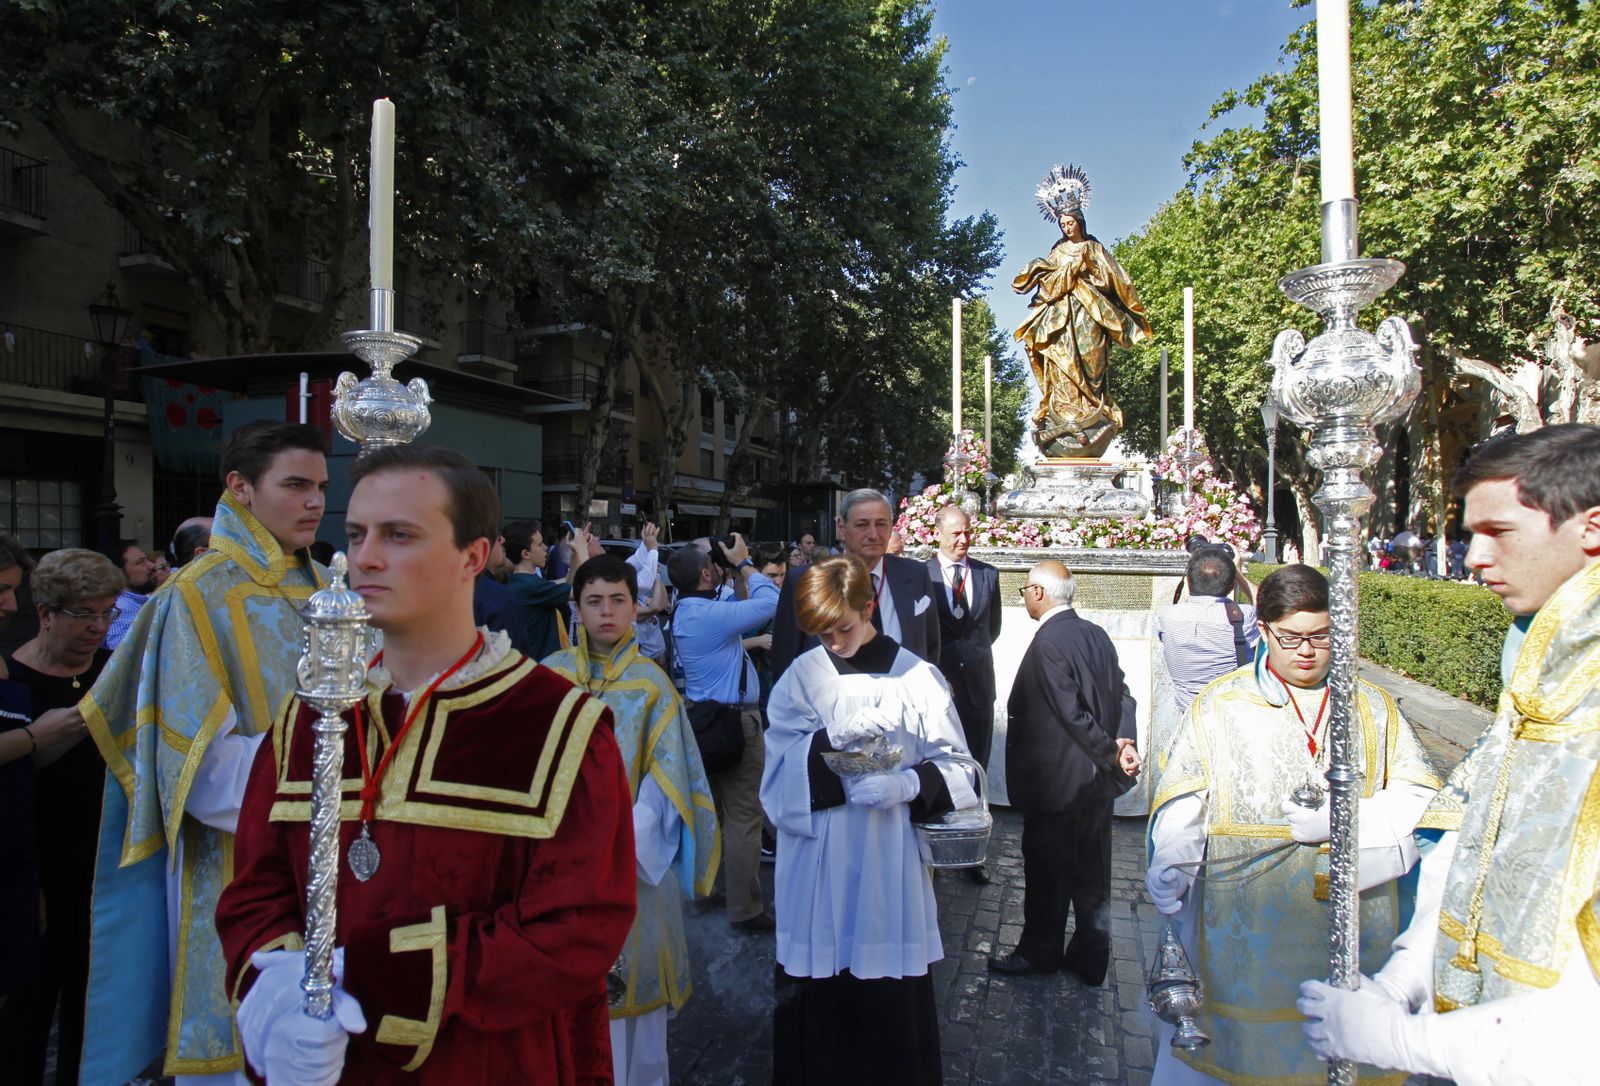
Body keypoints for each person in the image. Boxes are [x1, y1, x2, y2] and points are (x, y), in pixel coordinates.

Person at [216, 444, 636, 1085]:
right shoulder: (310, 715)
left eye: (399, 535)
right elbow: (256, 887)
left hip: (487, 1064)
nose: (364, 558)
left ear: (473, 556)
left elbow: (577, 930)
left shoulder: (558, 724)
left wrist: (373, 977)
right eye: (355, 534)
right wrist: (276, 995)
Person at [1299, 423, 1600, 1083]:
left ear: (1591, 527)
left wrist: (1412, 1046)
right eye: (1471, 534)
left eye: (1499, 532)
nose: (1473, 559)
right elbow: (1475, 840)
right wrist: (1408, 968)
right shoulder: (1538, 666)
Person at [77, 419, 330, 1085]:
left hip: (334, 855)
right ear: (240, 488)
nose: (314, 502)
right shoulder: (194, 594)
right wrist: (328, 774)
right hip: (236, 857)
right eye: (296, 485)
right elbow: (195, 767)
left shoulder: (328, 589)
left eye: (321, 487)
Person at [1147, 564, 1440, 1085]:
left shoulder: (1372, 707)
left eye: (1320, 637)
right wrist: (1171, 857)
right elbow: (1185, 795)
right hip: (1250, 927)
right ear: (1263, 631)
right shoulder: (1221, 704)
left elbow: (1424, 800)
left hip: (1351, 925)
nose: (1306, 650)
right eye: (1291, 638)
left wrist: (1348, 822)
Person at [761, 556, 978, 1085]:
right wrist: (827, 742)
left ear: (868, 604)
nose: (832, 643)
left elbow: (963, 772)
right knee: (820, 1004)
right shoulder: (802, 678)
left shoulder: (916, 677)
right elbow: (775, 780)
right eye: (820, 633)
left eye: (843, 628)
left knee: (887, 1013)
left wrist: (908, 785)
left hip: (888, 864)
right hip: (817, 865)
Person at [543, 554, 718, 1086]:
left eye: (618, 600)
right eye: (593, 602)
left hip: (630, 875)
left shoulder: (651, 684)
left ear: (635, 607)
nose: (606, 613)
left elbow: (667, 786)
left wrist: (609, 842)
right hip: (555, 874)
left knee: (635, 1033)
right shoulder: (548, 678)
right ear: (576, 609)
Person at [0, 549, 121, 1086]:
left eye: (107, 613)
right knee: (26, 1012)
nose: (98, 626)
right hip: (36, 871)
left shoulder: (118, 669)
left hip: (108, 867)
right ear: (46, 612)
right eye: (83, 614)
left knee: (95, 1007)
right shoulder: (12, 678)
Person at [990, 560, 1140, 983]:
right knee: (1092, 872)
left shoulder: (1049, 642)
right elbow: (1124, 695)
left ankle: (1040, 952)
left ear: (1039, 593)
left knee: (1048, 873)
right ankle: (1091, 956)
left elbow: (1071, 714)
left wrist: (1113, 749)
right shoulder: (1095, 634)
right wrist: (1124, 742)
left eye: (1024, 592)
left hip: (1058, 784)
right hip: (1093, 784)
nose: (1024, 599)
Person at [667, 533, 779, 931]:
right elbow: (770, 603)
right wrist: (745, 562)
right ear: (703, 573)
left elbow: (738, 603)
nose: (716, 566)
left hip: (702, 721)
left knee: (709, 812)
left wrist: (731, 570)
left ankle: (702, 891)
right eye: (711, 564)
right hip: (734, 723)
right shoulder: (708, 616)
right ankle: (745, 909)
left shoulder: (688, 610)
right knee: (744, 816)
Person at [1012, 168, 1152, 458]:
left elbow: (1113, 280)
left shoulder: (1092, 247)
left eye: (1071, 222)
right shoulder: (1058, 250)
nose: (1067, 227)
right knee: (1060, 364)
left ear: (1080, 222)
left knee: (1092, 359)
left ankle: (1090, 407)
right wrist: (1050, 274)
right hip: (1060, 318)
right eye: (1062, 223)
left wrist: (1087, 270)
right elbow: (1047, 287)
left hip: (1089, 313)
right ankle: (1065, 411)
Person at [771, 489, 940, 680]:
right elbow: (784, 661)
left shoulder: (915, 574)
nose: (874, 534)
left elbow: (931, 647)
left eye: (881, 524)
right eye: (862, 525)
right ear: (841, 528)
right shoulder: (804, 580)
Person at [925, 504, 1002, 885]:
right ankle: (933, 856)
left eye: (967, 532)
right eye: (955, 533)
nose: (962, 539)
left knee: (976, 768)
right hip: (937, 689)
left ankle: (972, 855)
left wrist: (971, 662)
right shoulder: (920, 575)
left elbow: (993, 628)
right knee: (938, 767)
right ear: (938, 532)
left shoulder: (988, 575)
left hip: (977, 689)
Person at [1156, 546, 1260, 718]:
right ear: (1232, 584)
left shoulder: (1166, 617)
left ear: (1188, 581)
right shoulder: (1244, 617)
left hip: (1187, 716)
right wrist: (1238, 573)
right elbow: (1270, 608)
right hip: (1232, 715)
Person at [504, 518, 591, 660]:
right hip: (540, 668)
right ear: (526, 554)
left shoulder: (522, 583)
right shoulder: (530, 586)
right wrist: (582, 549)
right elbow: (587, 591)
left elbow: (568, 583)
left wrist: (575, 553)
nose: (545, 547)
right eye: (539, 545)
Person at [471, 528, 532, 654]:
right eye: (498, 536)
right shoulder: (499, 598)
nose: (503, 540)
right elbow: (512, 665)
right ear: (482, 546)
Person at [101, 537, 158, 649]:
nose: (152, 566)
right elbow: (121, 660)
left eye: (147, 560)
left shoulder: (137, 604)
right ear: (119, 573)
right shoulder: (122, 611)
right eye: (141, 562)